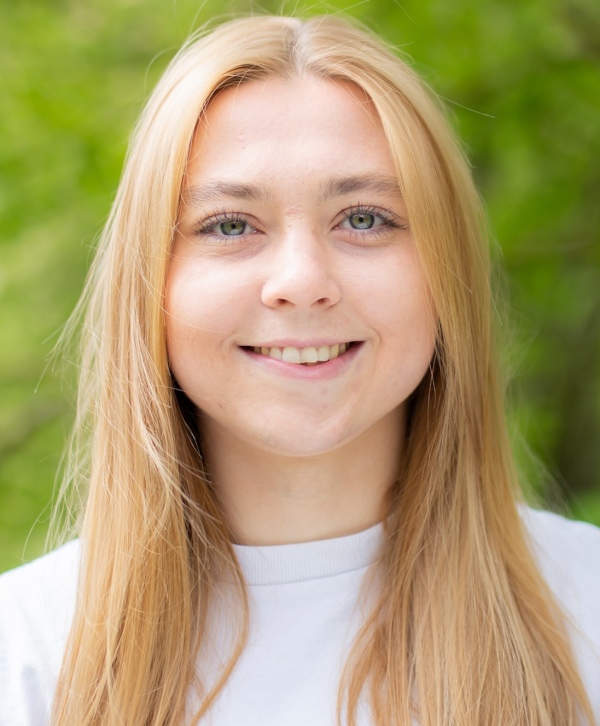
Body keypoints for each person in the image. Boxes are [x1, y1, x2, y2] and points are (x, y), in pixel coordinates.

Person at [0, 14, 599, 726]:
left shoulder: (585, 610)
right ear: (149, 286)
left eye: (366, 218)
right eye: (229, 225)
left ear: (448, 270)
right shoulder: (26, 656)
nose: (302, 280)